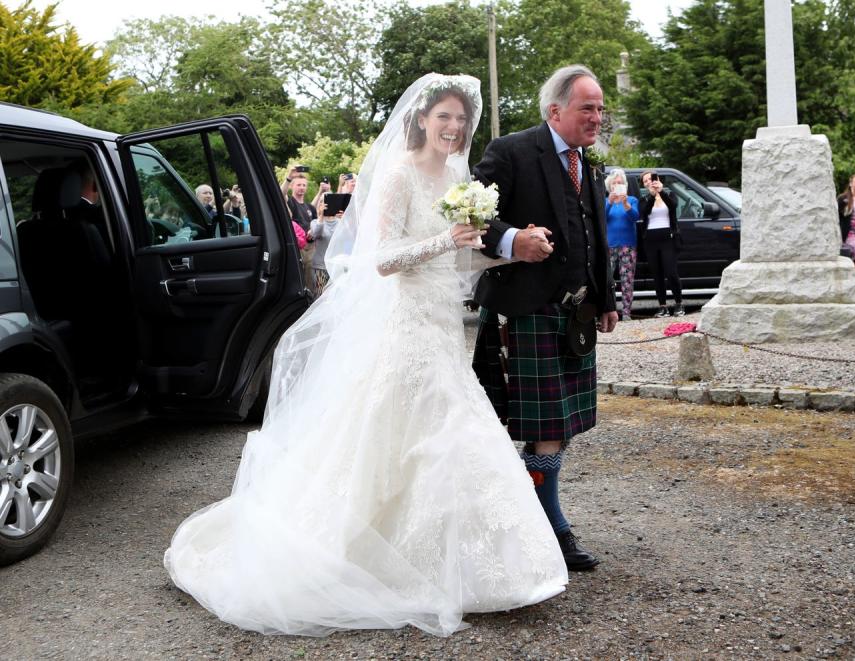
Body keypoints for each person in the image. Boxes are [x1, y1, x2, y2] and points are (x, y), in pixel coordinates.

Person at [164, 74, 567, 638]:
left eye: (461, 120)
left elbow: (458, 264)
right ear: (423, 119)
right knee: (403, 433)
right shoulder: (400, 173)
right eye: (444, 117)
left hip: (444, 326)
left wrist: (511, 255)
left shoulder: (457, 176)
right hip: (405, 325)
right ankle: (377, 560)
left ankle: (473, 569)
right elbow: (380, 260)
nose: (453, 128)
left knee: (452, 436)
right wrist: (446, 239)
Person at [471, 65, 618, 572]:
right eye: (588, 108)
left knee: (559, 426)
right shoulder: (510, 152)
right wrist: (514, 240)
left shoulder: (587, 163)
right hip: (525, 309)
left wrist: (606, 297)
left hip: (574, 315)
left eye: (600, 108)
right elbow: (470, 220)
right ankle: (550, 528)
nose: (597, 117)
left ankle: (535, 517)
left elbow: (594, 234)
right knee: (545, 427)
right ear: (555, 111)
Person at [639, 170, 684, 317]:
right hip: (651, 240)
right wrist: (652, 196)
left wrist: (661, 192)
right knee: (657, 274)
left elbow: (673, 206)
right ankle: (662, 306)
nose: (649, 182)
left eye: (651, 179)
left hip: (668, 238)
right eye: (645, 181)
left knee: (671, 272)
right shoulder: (644, 199)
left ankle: (678, 303)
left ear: (657, 179)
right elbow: (644, 212)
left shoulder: (669, 194)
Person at [604, 168, 640, 321]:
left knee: (627, 280)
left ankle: (626, 313)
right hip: (609, 245)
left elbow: (635, 217)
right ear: (609, 186)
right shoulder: (605, 201)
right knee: (606, 280)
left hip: (628, 245)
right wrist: (610, 203)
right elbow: (601, 219)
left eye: (620, 183)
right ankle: (607, 310)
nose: (617, 185)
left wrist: (625, 203)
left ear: (624, 185)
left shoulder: (631, 200)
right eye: (614, 183)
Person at [282, 168, 320, 294]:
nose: (302, 187)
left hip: (311, 246)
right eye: (298, 184)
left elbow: (317, 223)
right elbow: (281, 194)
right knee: (300, 277)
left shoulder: (309, 207)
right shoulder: (291, 202)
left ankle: (311, 300)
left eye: (304, 185)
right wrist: (289, 177)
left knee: (311, 278)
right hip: (298, 246)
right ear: (292, 186)